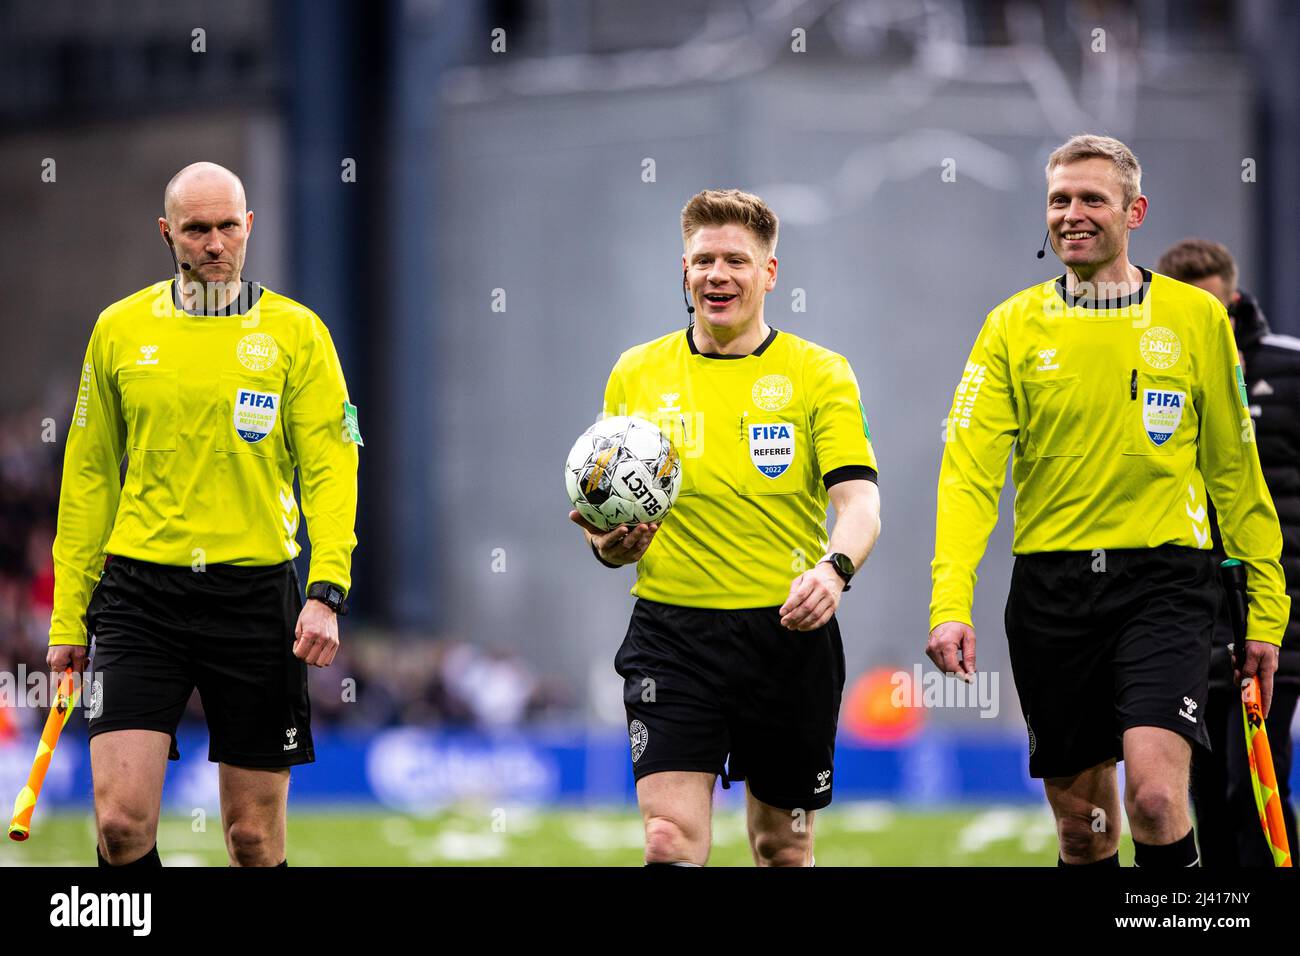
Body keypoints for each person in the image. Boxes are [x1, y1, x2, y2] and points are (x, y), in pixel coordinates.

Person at [929, 135, 1288, 867]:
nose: (1072, 213)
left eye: (1092, 198)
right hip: (1051, 593)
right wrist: (950, 601)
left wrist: (1268, 610)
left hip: (1165, 584)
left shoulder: (1194, 320)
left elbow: (1234, 473)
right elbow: (969, 474)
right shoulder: (1010, 326)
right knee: (1084, 830)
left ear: (1135, 210)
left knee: (1157, 800)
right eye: (1059, 199)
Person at [46, 162, 361, 867]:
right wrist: (69, 618)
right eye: (196, 229)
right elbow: (89, 477)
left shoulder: (299, 335)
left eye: (227, 226)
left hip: (255, 599)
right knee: (121, 829)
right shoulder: (119, 330)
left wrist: (326, 588)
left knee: (251, 839)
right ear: (168, 234)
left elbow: (330, 469)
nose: (214, 243)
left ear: (249, 227)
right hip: (139, 599)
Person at [570, 188, 881, 867]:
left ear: (769, 273)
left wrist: (835, 570)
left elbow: (859, 504)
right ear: (684, 270)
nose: (718, 274)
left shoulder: (819, 374)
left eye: (736, 260)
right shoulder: (637, 372)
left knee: (782, 848)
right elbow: (601, 521)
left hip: (788, 637)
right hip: (671, 638)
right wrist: (608, 546)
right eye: (703, 259)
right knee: (667, 840)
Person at [1157, 237, 1299, 866]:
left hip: (1273, 616)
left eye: (1213, 305)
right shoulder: (1157, 372)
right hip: (1186, 612)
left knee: (1259, 786)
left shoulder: (1290, 369)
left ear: (1233, 298)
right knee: (1205, 794)